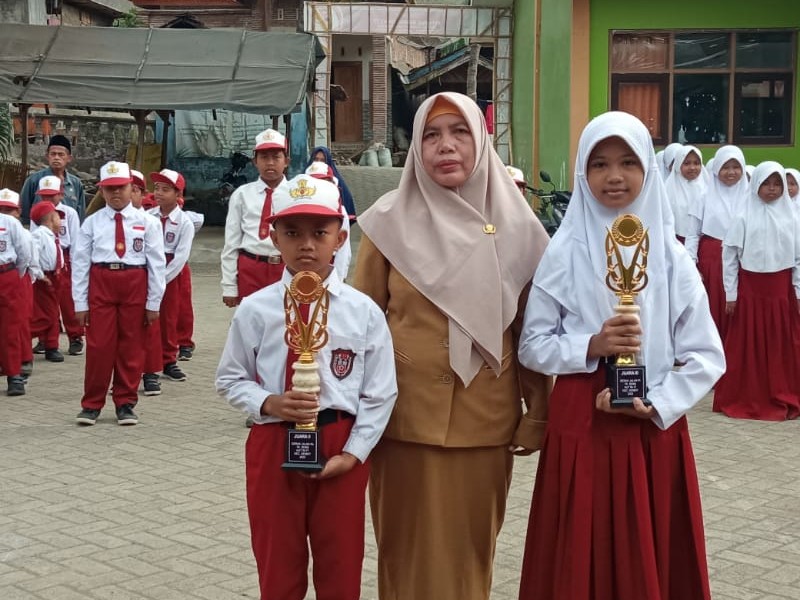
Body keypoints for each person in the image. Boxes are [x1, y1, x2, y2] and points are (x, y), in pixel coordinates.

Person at [516, 111, 725, 600]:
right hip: (582, 416)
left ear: (648, 169)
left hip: (652, 420)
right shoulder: (563, 252)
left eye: (628, 162)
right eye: (600, 164)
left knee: (646, 543)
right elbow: (532, 345)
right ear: (582, 173)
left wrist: (661, 402)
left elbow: (707, 355)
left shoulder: (672, 257)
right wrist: (590, 345)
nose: (614, 176)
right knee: (581, 540)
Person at [352, 91, 551, 600]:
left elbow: (531, 332)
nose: (446, 146)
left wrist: (538, 412)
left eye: (460, 132)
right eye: (431, 135)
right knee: (403, 553)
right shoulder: (386, 222)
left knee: (470, 556)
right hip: (402, 419)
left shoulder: (520, 228)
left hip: (485, 421)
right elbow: (359, 326)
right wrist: (346, 415)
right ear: (416, 148)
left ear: (481, 141)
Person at [216, 174, 398, 600]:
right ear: (273, 237)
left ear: (340, 237)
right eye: (292, 233)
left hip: (339, 442)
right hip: (273, 442)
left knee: (341, 564)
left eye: (320, 233)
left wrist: (354, 453)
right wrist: (268, 401)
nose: (307, 246)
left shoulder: (362, 311)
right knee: (277, 563)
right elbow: (229, 377)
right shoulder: (256, 309)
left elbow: (380, 391)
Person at [72, 161, 165, 426]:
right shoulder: (92, 223)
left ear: (131, 187)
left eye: (121, 187)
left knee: (131, 346)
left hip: (135, 280)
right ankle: (91, 404)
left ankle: (125, 402)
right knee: (99, 346)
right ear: (101, 190)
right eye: (109, 188)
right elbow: (80, 263)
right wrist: (80, 302)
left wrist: (154, 302)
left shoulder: (148, 222)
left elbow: (157, 264)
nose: (115, 193)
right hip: (101, 280)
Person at [714, 162, 800, 421]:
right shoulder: (743, 216)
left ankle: (781, 392)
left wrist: (798, 292)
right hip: (750, 290)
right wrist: (731, 293)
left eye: (777, 184)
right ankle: (747, 395)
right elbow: (730, 256)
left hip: (781, 291)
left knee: (781, 343)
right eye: (766, 183)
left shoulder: (792, 218)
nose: (771, 189)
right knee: (748, 343)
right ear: (756, 185)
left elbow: (797, 259)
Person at [685, 145, 749, 341]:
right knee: (714, 304)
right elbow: (693, 234)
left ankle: (735, 348)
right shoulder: (704, 197)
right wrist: (692, 265)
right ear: (716, 169)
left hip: (744, 258)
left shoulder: (751, 198)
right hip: (712, 259)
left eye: (736, 167)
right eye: (725, 167)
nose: (731, 172)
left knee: (739, 305)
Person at [220, 129, 289, 307]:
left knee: (286, 319)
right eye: (264, 157)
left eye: (276, 157)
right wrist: (229, 286)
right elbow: (232, 241)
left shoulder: (294, 194)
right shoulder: (242, 194)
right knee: (250, 320)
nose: (270, 163)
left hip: (285, 269)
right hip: (250, 268)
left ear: (286, 161)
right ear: (254, 162)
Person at [30, 175, 84, 357]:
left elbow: (76, 240)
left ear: (61, 194)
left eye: (51, 195)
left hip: (65, 257)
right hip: (46, 262)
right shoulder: (38, 213)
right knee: (45, 304)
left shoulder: (69, 213)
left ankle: (75, 337)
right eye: (44, 195)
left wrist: (75, 265)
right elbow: (33, 242)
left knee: (68, 300)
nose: (47, 199)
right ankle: (45, 340)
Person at [149, 168, 195, 383]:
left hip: (171, 273)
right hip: (149, 268)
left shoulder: (184, 222)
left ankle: (168, 360)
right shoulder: (148, 217)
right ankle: (147, 361)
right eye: (157, 188)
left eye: (165, 189)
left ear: (178, 194)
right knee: (148, 316)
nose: (158, 193)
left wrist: (162, 279)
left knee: (169, 317)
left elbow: (181, 256)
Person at [0, 189, 36, 380]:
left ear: (18, 210)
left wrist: (15, 273)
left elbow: (24, 254)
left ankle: (14, 374)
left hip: (8, 274)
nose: (4, 213)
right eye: (1, 208)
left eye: (9, 209)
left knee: (11, 327)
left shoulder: (13, 225)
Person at [20, 134, 87, 224]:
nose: (56, 158)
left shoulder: (76, 184)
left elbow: (80, 216)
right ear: (47, 156)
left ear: (69, 158)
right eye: (53, 154)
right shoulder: (34, 180)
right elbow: (24, 213)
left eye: (61, 154)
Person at [29, 201, 65, 364]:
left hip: (56, 276)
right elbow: (33, 255)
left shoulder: (53, 236)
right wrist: (39, 274)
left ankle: (52, 345)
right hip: (45, 278)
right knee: (47, 314)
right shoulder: (39, 235)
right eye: (58, 217)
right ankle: (24, 335)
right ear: (50, 218)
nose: (60, 221)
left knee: (54, 313)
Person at [304, 160, 353, 280]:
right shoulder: (299, 210)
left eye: (323, 182)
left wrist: (338, 278)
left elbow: (343, 250)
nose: (318, 187)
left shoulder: (339, 210)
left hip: (329, 265)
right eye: (313, 183)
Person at [665, 145, 705, 243]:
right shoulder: (668, 190)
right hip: (675, 240)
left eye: (696, 163)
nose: (692, 167)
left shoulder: (706, 188)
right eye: (686, 163)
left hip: (701, 241)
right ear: (678, 164)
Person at [307, 145, 357, 222]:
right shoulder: (304, 179)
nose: (318, 163)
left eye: (322, 160)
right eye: (316, 159)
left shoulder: (337, 183)